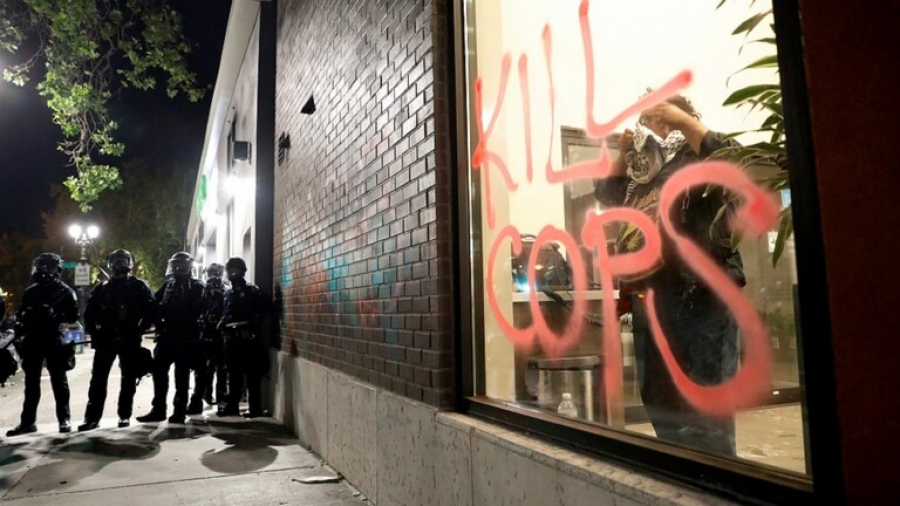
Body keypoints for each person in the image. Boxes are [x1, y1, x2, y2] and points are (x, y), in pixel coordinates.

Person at [594, 94, 743, 456]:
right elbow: (606, 193)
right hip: (651, 299)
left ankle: (714, 478)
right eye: (645, 120)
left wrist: (684, 123)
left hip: (703, 296)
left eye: (655, 117)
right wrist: (624, 153)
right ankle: (678, 474)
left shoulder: (698, 155)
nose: (647, 126)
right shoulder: (643, 172)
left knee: (707, 407)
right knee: (662, 403)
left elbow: (736, 163)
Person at [78, 249, 157, 431]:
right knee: (98, 380)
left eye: (123, 261)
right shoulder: (103, 287)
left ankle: (124, 415)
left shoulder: (139, 286)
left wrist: (139, 329)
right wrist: (95, 332)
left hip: (129, 338)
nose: (119, 264)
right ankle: (92, 417)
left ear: (129, 263)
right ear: (110, 263)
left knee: (128, 378)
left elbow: (151, 310)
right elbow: (89, 313)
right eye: (116, 261)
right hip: (106, 339)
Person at [6, 253, 79, 436]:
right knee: (31, 383)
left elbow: (73, 317)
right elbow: (22, 314)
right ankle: (28, 422)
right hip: (33, 339)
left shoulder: (65, 291)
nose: (41, 270)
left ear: (55, 269)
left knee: (59, 381)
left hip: (54, 339)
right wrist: (21, 323)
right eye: (39, 266)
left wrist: (55, 314)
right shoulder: (31, 291)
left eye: (44, 266)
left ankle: (64, 419)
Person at [137, 252, 205, 424]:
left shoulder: (197, 286)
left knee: (181, 377)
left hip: (186, 339)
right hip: (166, 337)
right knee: (159, 373)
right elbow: (154, 304)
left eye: (180, 265)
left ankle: (179, 411)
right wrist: (155, 321)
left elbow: (200, 309)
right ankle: (158, 409)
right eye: (175, 265)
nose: (177, 268)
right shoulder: (168, 285)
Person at [218, 257, 271, 418]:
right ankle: (232, 406)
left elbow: (265, 307)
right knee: (233, 375)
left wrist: (252, 321)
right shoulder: (228, 293)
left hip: (248, 340)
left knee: (252, 375)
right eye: (229, 270)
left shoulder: (251, 290)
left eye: (234, 270)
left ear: (242, 271)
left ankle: (255, 408)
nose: (231, 273)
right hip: (232, 340)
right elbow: (226, 313)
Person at [195, 262, 228, 412]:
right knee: (203, 368)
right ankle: (203, 395)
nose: (213, 277)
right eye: (211, 273)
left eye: (216, 273)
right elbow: (196, 309)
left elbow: (227, 310)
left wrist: (218, 296)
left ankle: (222, 398)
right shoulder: (202, 290)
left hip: (220, 335)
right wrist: (205, 295)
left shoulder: (226, 291)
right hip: (204, 333)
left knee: (222, 368)